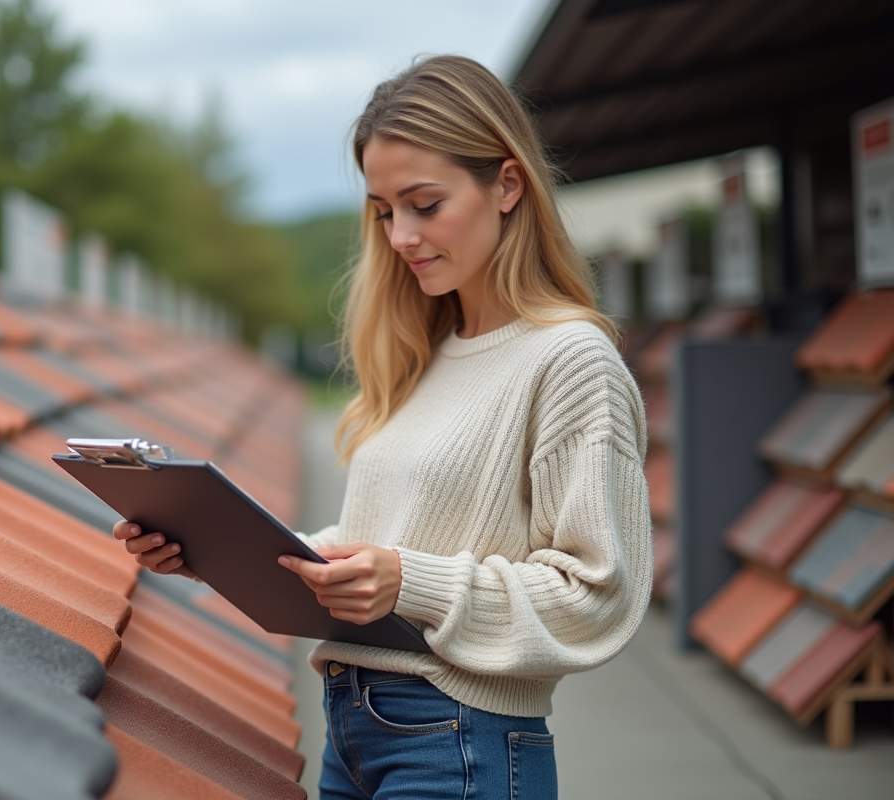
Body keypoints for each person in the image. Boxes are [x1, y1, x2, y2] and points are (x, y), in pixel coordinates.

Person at [114, 54, 651, 800]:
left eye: (424, 204)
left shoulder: (570, 361)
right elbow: (390, 542)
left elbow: (599, 598)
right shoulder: (423, 352)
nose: (400, 235)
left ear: (507, 185)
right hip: (355, 729)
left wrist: (407, 582)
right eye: (383, 210)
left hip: (461, 741)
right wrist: (214, 549)